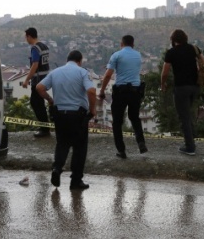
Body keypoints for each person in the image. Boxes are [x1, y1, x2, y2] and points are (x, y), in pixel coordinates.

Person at [36, 50, 97, 190]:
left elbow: (39, 87)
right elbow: (92, 91)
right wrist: (92, 109)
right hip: (78, 115)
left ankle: (56, 169)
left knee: (62, 144)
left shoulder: (55, 72)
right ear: (79, 61)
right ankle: (76, 181)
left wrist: (50, 100)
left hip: (60, 114)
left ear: (67, 59)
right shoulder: (82, 72)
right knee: (79, 148)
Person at [99, 35, 147, 159]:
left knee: (117, 122)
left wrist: (102, 90)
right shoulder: (138, 55)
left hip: (121, 92)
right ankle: (141, 142)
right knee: (134, 117)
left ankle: (121, 151)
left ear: (122, 43)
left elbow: (108, 75)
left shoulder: (116, 55)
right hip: (136, 91)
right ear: (133, 44)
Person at [161, 29, 204, 156]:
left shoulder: (171, 53)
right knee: (188, 113)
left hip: (181, 88)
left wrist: (162, 84)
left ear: (173, 40)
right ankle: (192, 139)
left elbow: (165, 72)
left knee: (184, 116)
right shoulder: (194, 48)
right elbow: (203, 62)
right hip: (195, 86)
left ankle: (190, 147)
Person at [22, 27, 50, 137]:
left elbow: (35, 64)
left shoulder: (35, 48)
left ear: (29, 36)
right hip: (45, 79)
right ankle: (45, 127)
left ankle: (44, 129)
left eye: (26, 37)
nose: (26, 40)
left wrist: (26, 80)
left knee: (35, 102)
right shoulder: (44, 46)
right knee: (40, 103)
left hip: (37, 80)